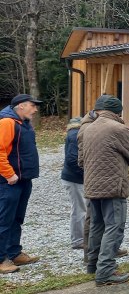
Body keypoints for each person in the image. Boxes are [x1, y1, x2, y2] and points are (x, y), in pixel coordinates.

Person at [79, 95, 129, 286]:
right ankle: (105, 272)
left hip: (92, 185)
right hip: (113, 187)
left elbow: (80, 160)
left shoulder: (87, 128)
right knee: (113, 228)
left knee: (97, 226)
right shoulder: (118, 128)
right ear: (118, 112)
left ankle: (93, 265)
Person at [0, 94, 42, 274]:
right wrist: (9, 175)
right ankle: (1, 260)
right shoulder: (7, 123)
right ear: (21, 106)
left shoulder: (22, 123)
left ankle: (14, 252)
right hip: (9, 182)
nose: (35, 109)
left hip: (23, 180)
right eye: (33, 106)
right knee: (4, 220)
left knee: (17, 218)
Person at [61, 117, 86, 250]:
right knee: (79, 209)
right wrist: (85, 174)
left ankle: (80, 238)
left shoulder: (72, 134)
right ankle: (78, 240)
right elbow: (72, 160)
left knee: (80, 208)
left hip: (73, 177)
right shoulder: (75, 135)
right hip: (74, 179)